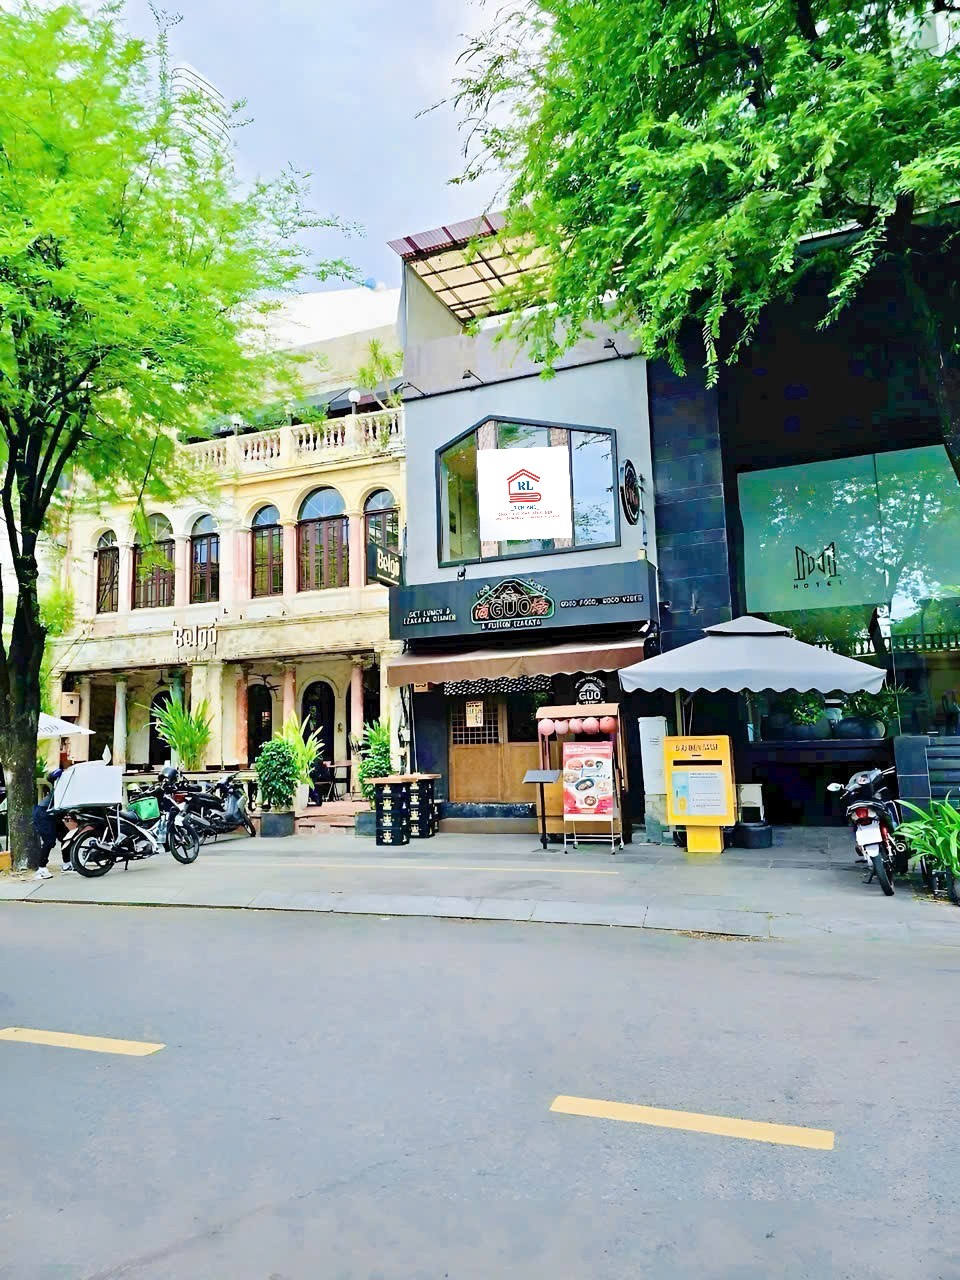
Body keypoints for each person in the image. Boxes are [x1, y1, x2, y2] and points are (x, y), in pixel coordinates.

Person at [31, 769, 72, 879]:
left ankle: (67, 864)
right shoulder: (61, 786)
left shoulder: (72, 789)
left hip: (54, 814)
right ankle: (41, 869)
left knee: (66, 837)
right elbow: (50, 777)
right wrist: (59, 773)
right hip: (43, 813)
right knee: (49, 841)